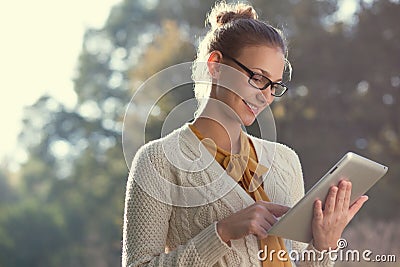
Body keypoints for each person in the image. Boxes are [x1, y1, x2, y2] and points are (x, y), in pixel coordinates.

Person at [122, 2, 368, 266]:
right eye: (258, 78)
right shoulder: (157, 161)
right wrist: (222, 233)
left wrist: (323, 246)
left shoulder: (285, 161)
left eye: (274, 86)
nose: (266, 96)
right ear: (216, 65)